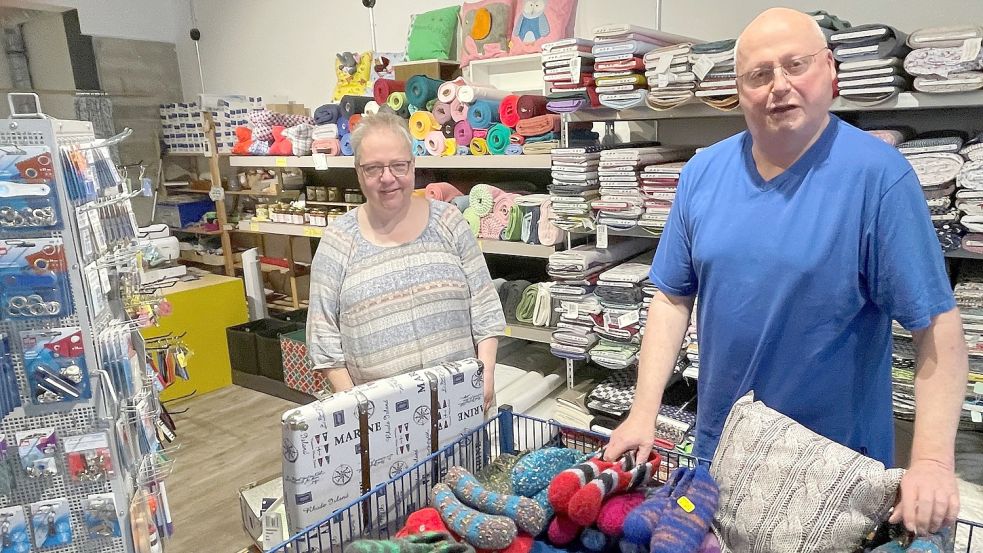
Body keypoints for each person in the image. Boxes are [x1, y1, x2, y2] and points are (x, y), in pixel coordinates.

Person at [604, 7, 968, 536]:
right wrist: (643, 411)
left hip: (832, 472)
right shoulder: (702, 174)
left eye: (796, 65)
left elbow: (936, 325)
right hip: (720, 452)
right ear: (738, 89)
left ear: (830, 72)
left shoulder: (879, 179)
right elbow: (671, 297)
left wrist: (932, 461)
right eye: (759, 74)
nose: (779, 85)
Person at [306, 111, 506, 413]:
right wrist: (357, 409)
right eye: (373, 168)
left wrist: (486, 375)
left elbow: (484, 305)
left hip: (462, 402)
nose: (388, 178)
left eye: (398, 165)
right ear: (358, 172)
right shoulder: (338, 241)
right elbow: (323, 336)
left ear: (413, 165)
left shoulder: (449, 221)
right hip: (382, 419)